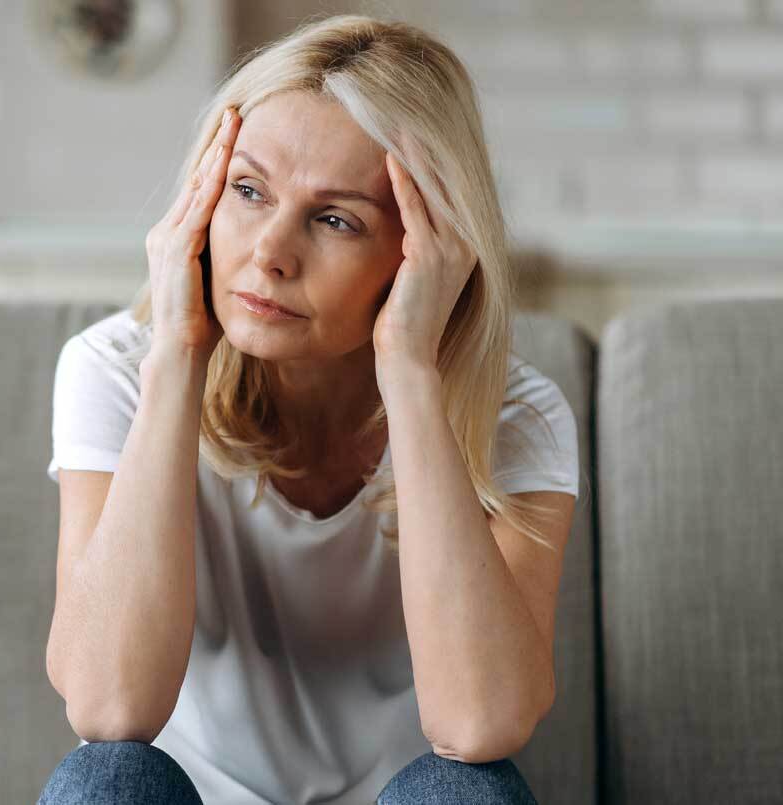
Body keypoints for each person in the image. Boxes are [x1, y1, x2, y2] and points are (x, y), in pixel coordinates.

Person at [39, 12, 587, 805]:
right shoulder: (116, 370)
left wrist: (408, 370)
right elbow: (107, 706)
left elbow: (480, 725)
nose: (270, 252)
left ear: (424, 249)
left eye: (335, 219)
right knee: (106, 779)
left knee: (466, 793)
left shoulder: (516, 417)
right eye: (248, 190)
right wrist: (179, 356)